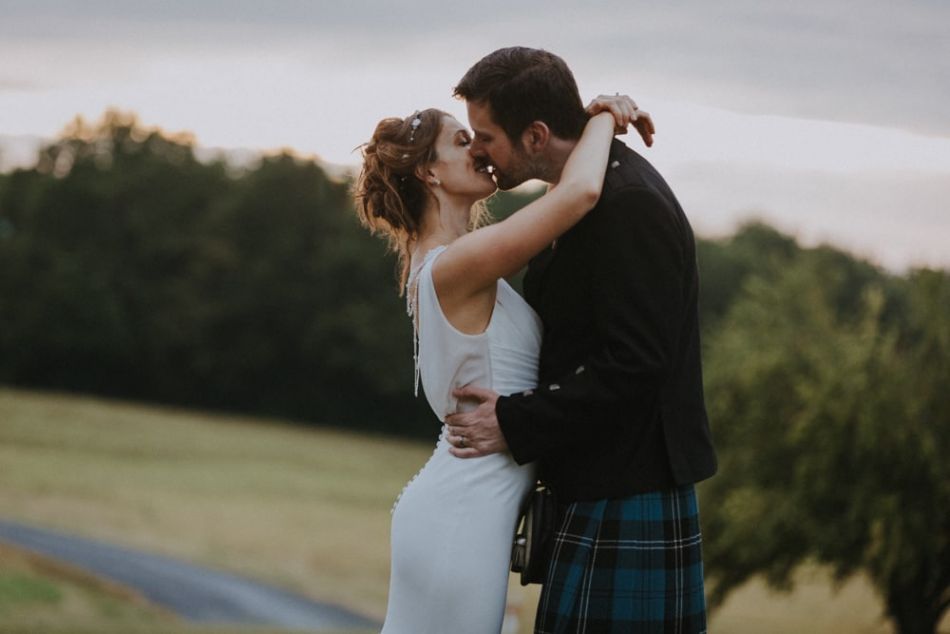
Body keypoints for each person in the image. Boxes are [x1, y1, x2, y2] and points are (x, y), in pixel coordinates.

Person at [354, 92, 652, 632]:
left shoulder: (449, 261)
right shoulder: (457, 264)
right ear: (429, 171)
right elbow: (579, 191)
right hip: (461, 518)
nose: (481, 151)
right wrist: (606, 117)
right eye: (462, 142)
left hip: (463, 513)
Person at [445, 47, 718, 633]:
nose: (478, 149)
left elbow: (636, 362)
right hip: (595, 483)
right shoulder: (576, 193)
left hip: (630, 488)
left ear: (537, 134)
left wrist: (515, 422)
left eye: (486, 136)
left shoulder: (630, 205)